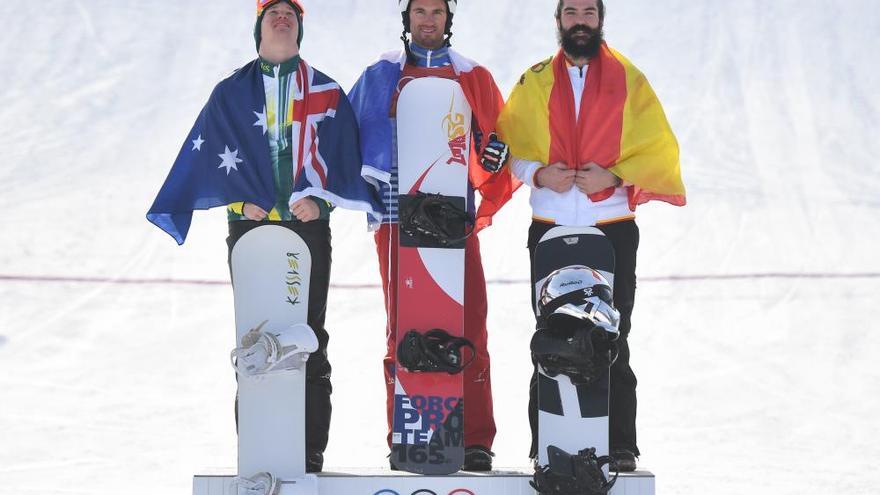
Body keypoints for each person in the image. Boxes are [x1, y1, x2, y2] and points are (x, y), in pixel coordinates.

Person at [147, 0, 383, 473]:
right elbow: (210, 156)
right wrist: (238, 202)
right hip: (250, 229)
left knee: (309, 336)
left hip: (307, 229)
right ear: (258, 26)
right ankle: (256, 442)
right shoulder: (230, 93)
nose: (282, 18)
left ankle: (309, 450)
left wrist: (324, 203)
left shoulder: (325, 90)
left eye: (290, 13)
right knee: (254, 336)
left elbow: (344, 160)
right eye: (272, 12)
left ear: (300, 26)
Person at [492, 0, 686, 472]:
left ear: (601, 20)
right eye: (571, 12)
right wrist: (537, 175)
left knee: (614, 333)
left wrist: (615, 179)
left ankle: (620, 444)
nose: (580, 21)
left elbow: (659, 149)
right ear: (558, 20)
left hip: (612, 228)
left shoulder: (629, 79)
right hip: (551, 229)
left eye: (589, 13)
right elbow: (503, 150)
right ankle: (546, 443)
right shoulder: (533, 80)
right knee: (549, 335)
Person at [348, 0, 516, 472]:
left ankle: (476, 438)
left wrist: (494, 155)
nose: (428, 20)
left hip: (450, 220)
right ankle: (407, 431)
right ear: (407, 19)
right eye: (419, 11)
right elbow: (350, 140)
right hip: (397, 221)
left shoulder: (470, 76)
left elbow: (489, 154)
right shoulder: (383, 74)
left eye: (436, 12)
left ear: (449, 18)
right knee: (402, 327)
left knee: (471, 322)